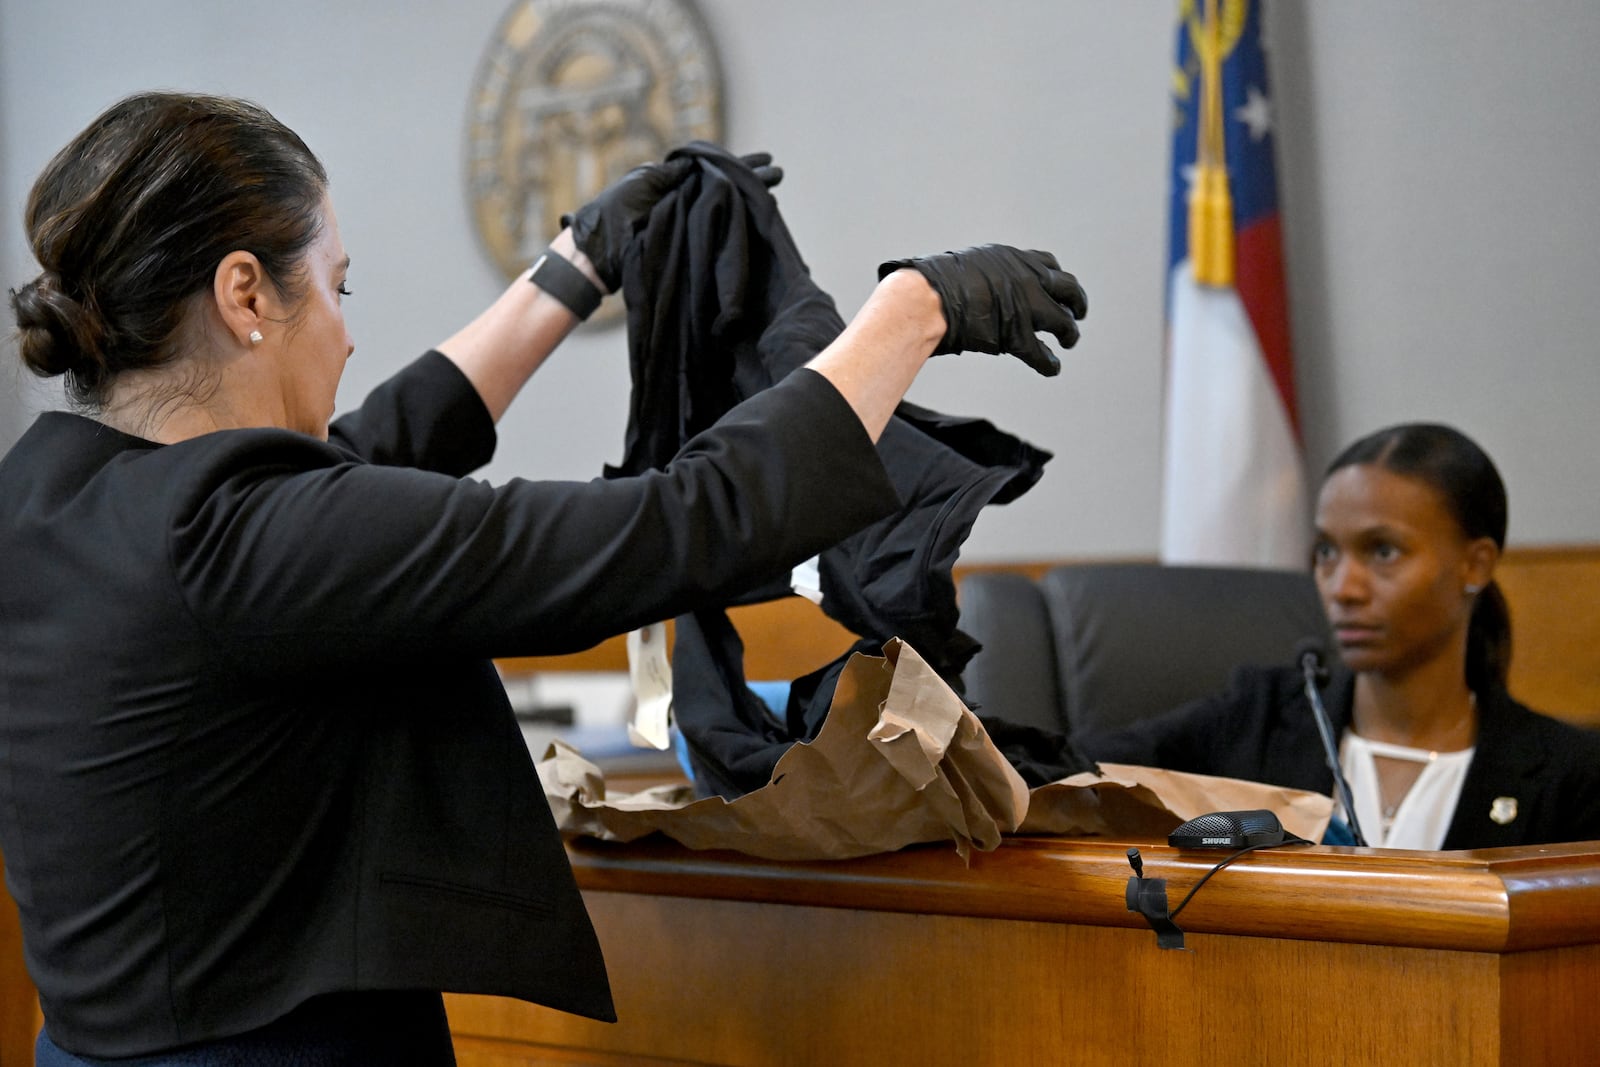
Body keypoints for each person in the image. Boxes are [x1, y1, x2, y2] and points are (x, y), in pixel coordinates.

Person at [0, 91, 1087, 1062]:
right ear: (245, 293)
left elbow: (374, 449)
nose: (342, 334)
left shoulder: (51, 502)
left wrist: (572, 269)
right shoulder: (234, 534)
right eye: (336, 286)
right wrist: (908, 314)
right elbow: (682, 522)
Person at [1079, 423, 1600, 850]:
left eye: (1383, 552)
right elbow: (1070, 773)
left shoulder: (1569, 775)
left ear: (1475, 563)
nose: (1342, 588)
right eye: (1327, 552)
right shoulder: (1259, 718)